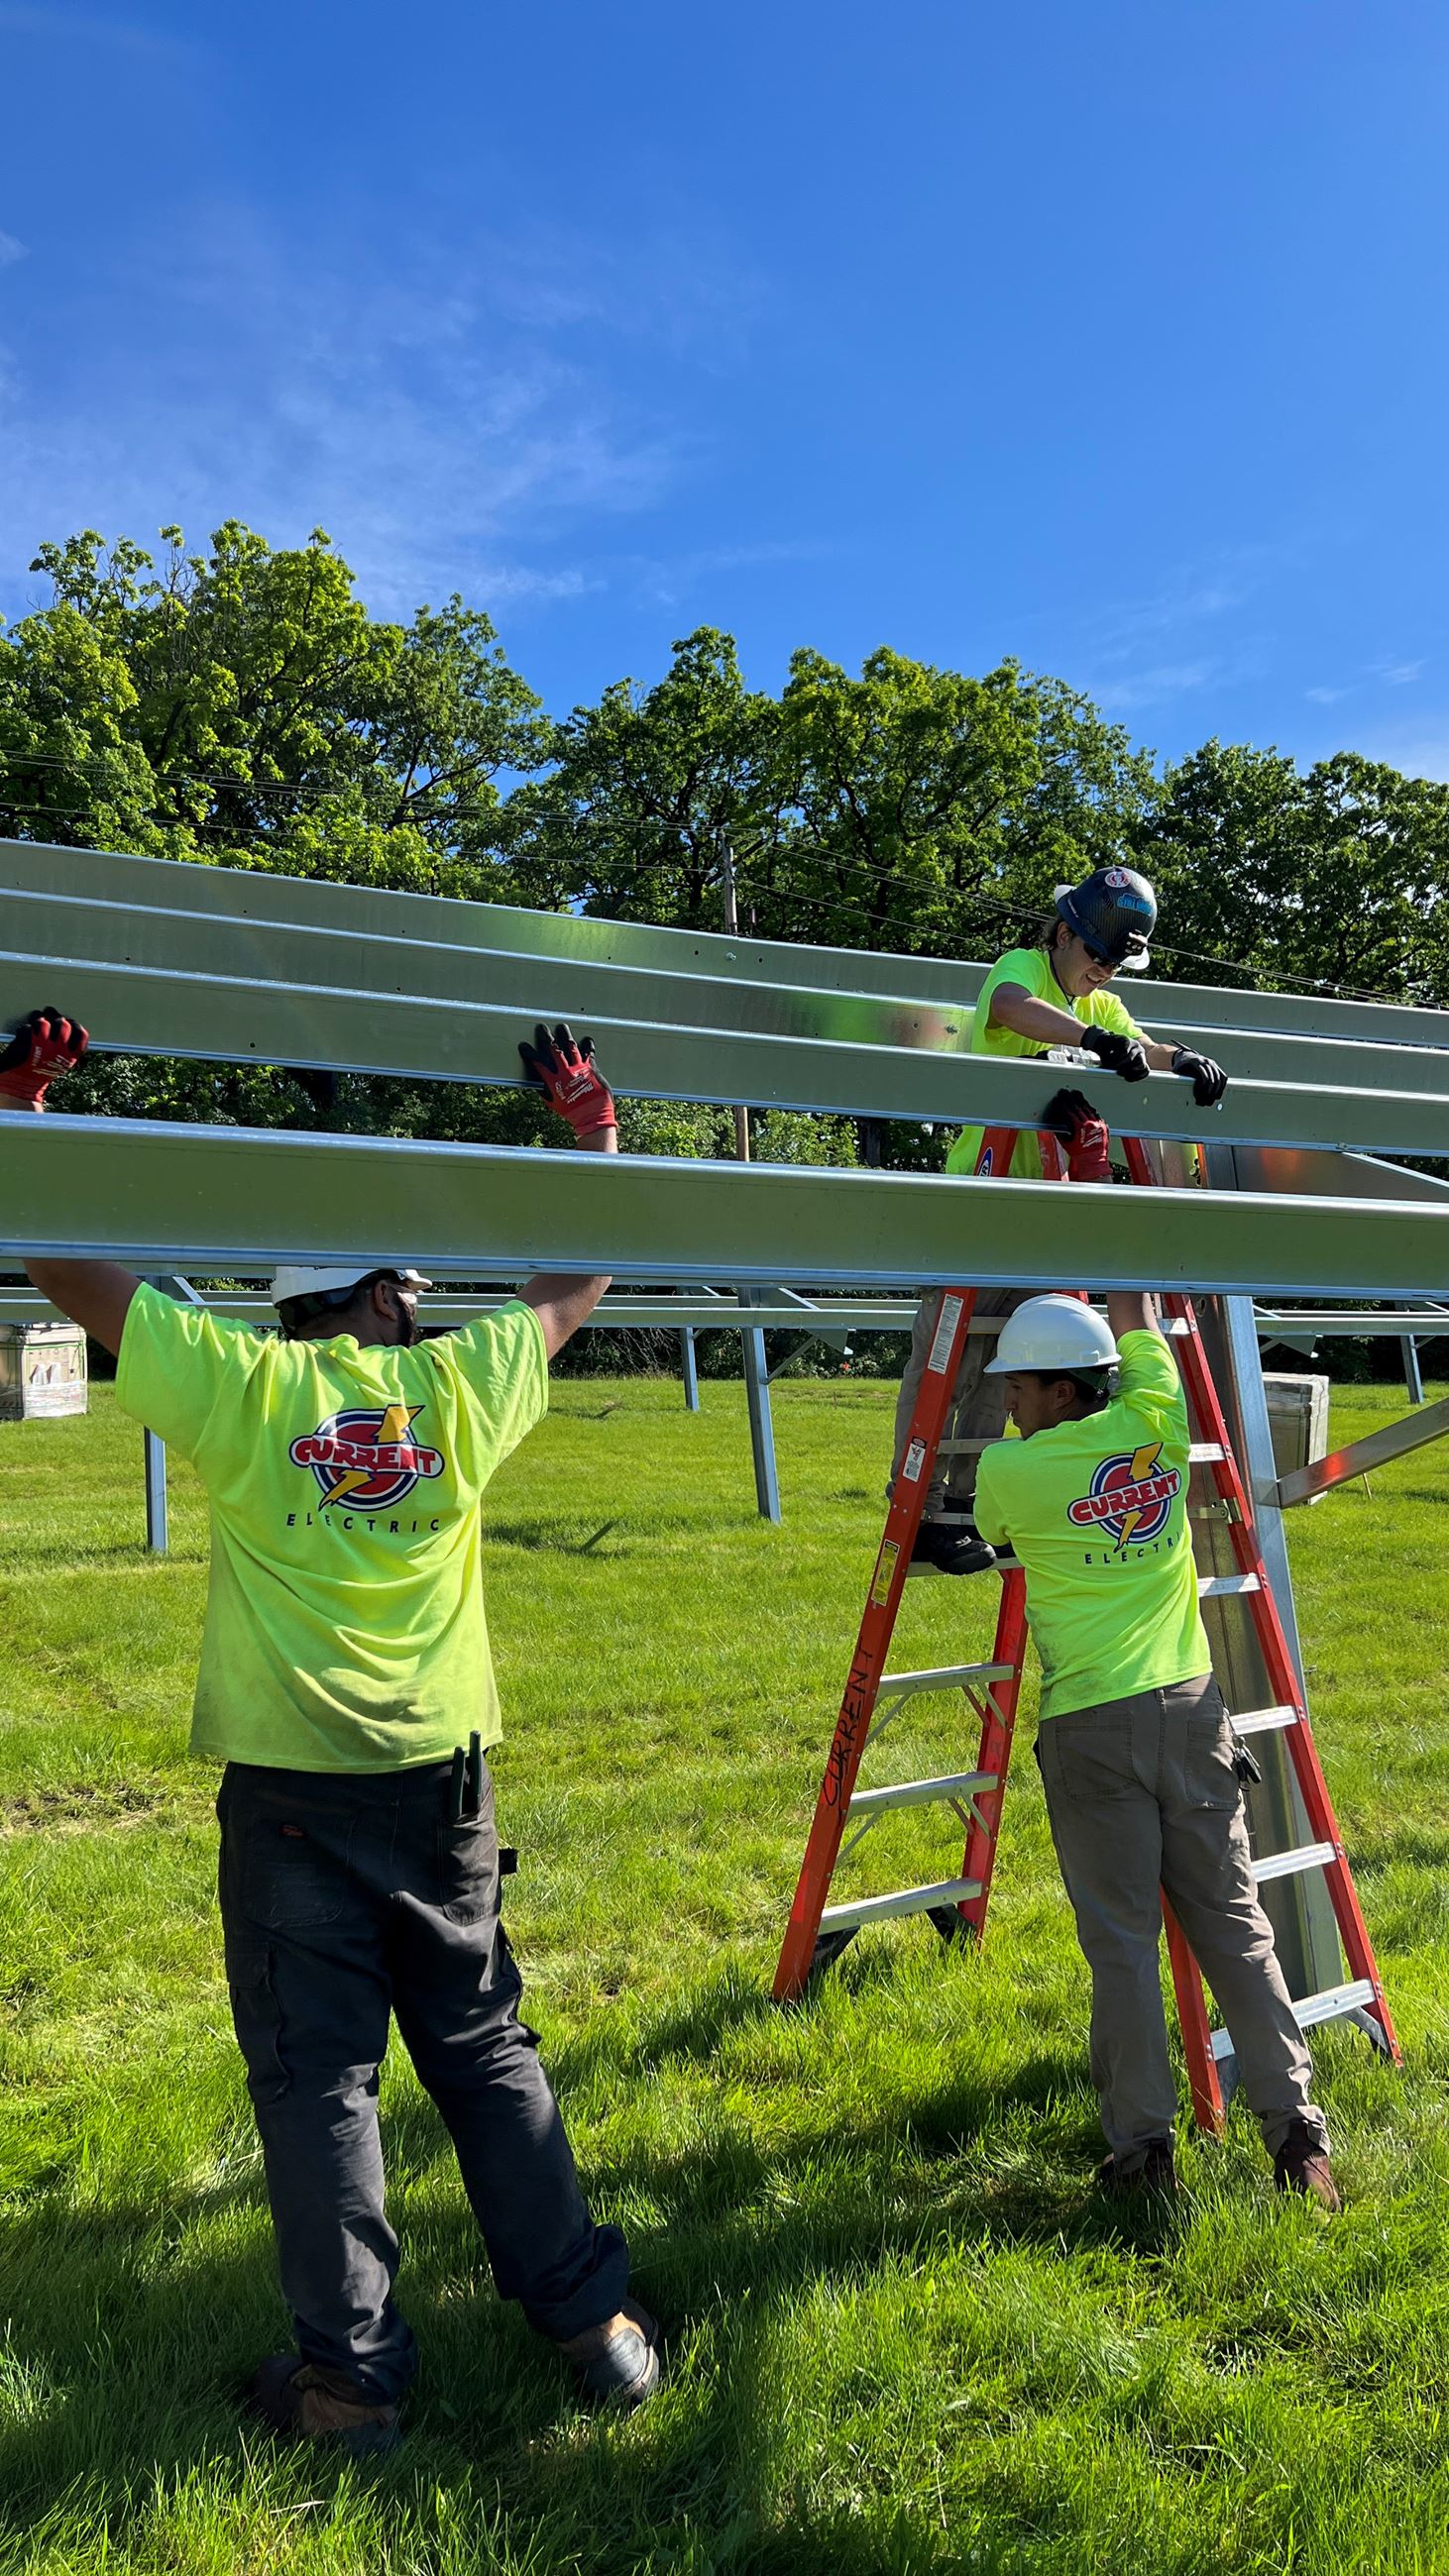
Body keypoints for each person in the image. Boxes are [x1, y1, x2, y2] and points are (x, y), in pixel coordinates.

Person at [12, 1009, 662, 2454]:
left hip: (295, 1792)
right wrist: (593, 1133)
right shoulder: (456, 1388)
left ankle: (350, 2386)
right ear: (384, 1296)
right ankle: (593, 2330)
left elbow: (67, 1266)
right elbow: (576, 1284)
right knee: (483, 2045)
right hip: (443, 1780)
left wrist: (25, 1110)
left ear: (297, 1305)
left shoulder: (247, 1388)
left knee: (322, 2086)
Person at [971, 1262, 1340, 2209]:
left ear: (1062, 1389)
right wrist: (1123, 1238)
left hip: (1090, 1727)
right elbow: (1141, 1319)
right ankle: (1298, 2138)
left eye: (1017, 1385)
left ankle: (1142, 2158)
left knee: (1124, 1946)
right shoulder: (1156, 1423)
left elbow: (985, 1532)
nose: (1007, 1402)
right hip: (1190, 1713)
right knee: (1234, 1924)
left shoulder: (1012, 1471)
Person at [893, 865, 1228, 1576]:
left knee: (1002, 1376)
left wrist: (1187, 1061)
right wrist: (1092, 1041)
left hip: (1039, 1225)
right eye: (1096, 955)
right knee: (942, 1369)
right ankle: (910, 1507)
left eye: (1114, 963)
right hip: (976, 1211)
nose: (1103, 972)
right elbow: (1013, 1009)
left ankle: (960, 1512)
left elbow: (1144, 1046)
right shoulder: (1023, 970)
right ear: (1063, 932)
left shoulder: (1101, 1008)